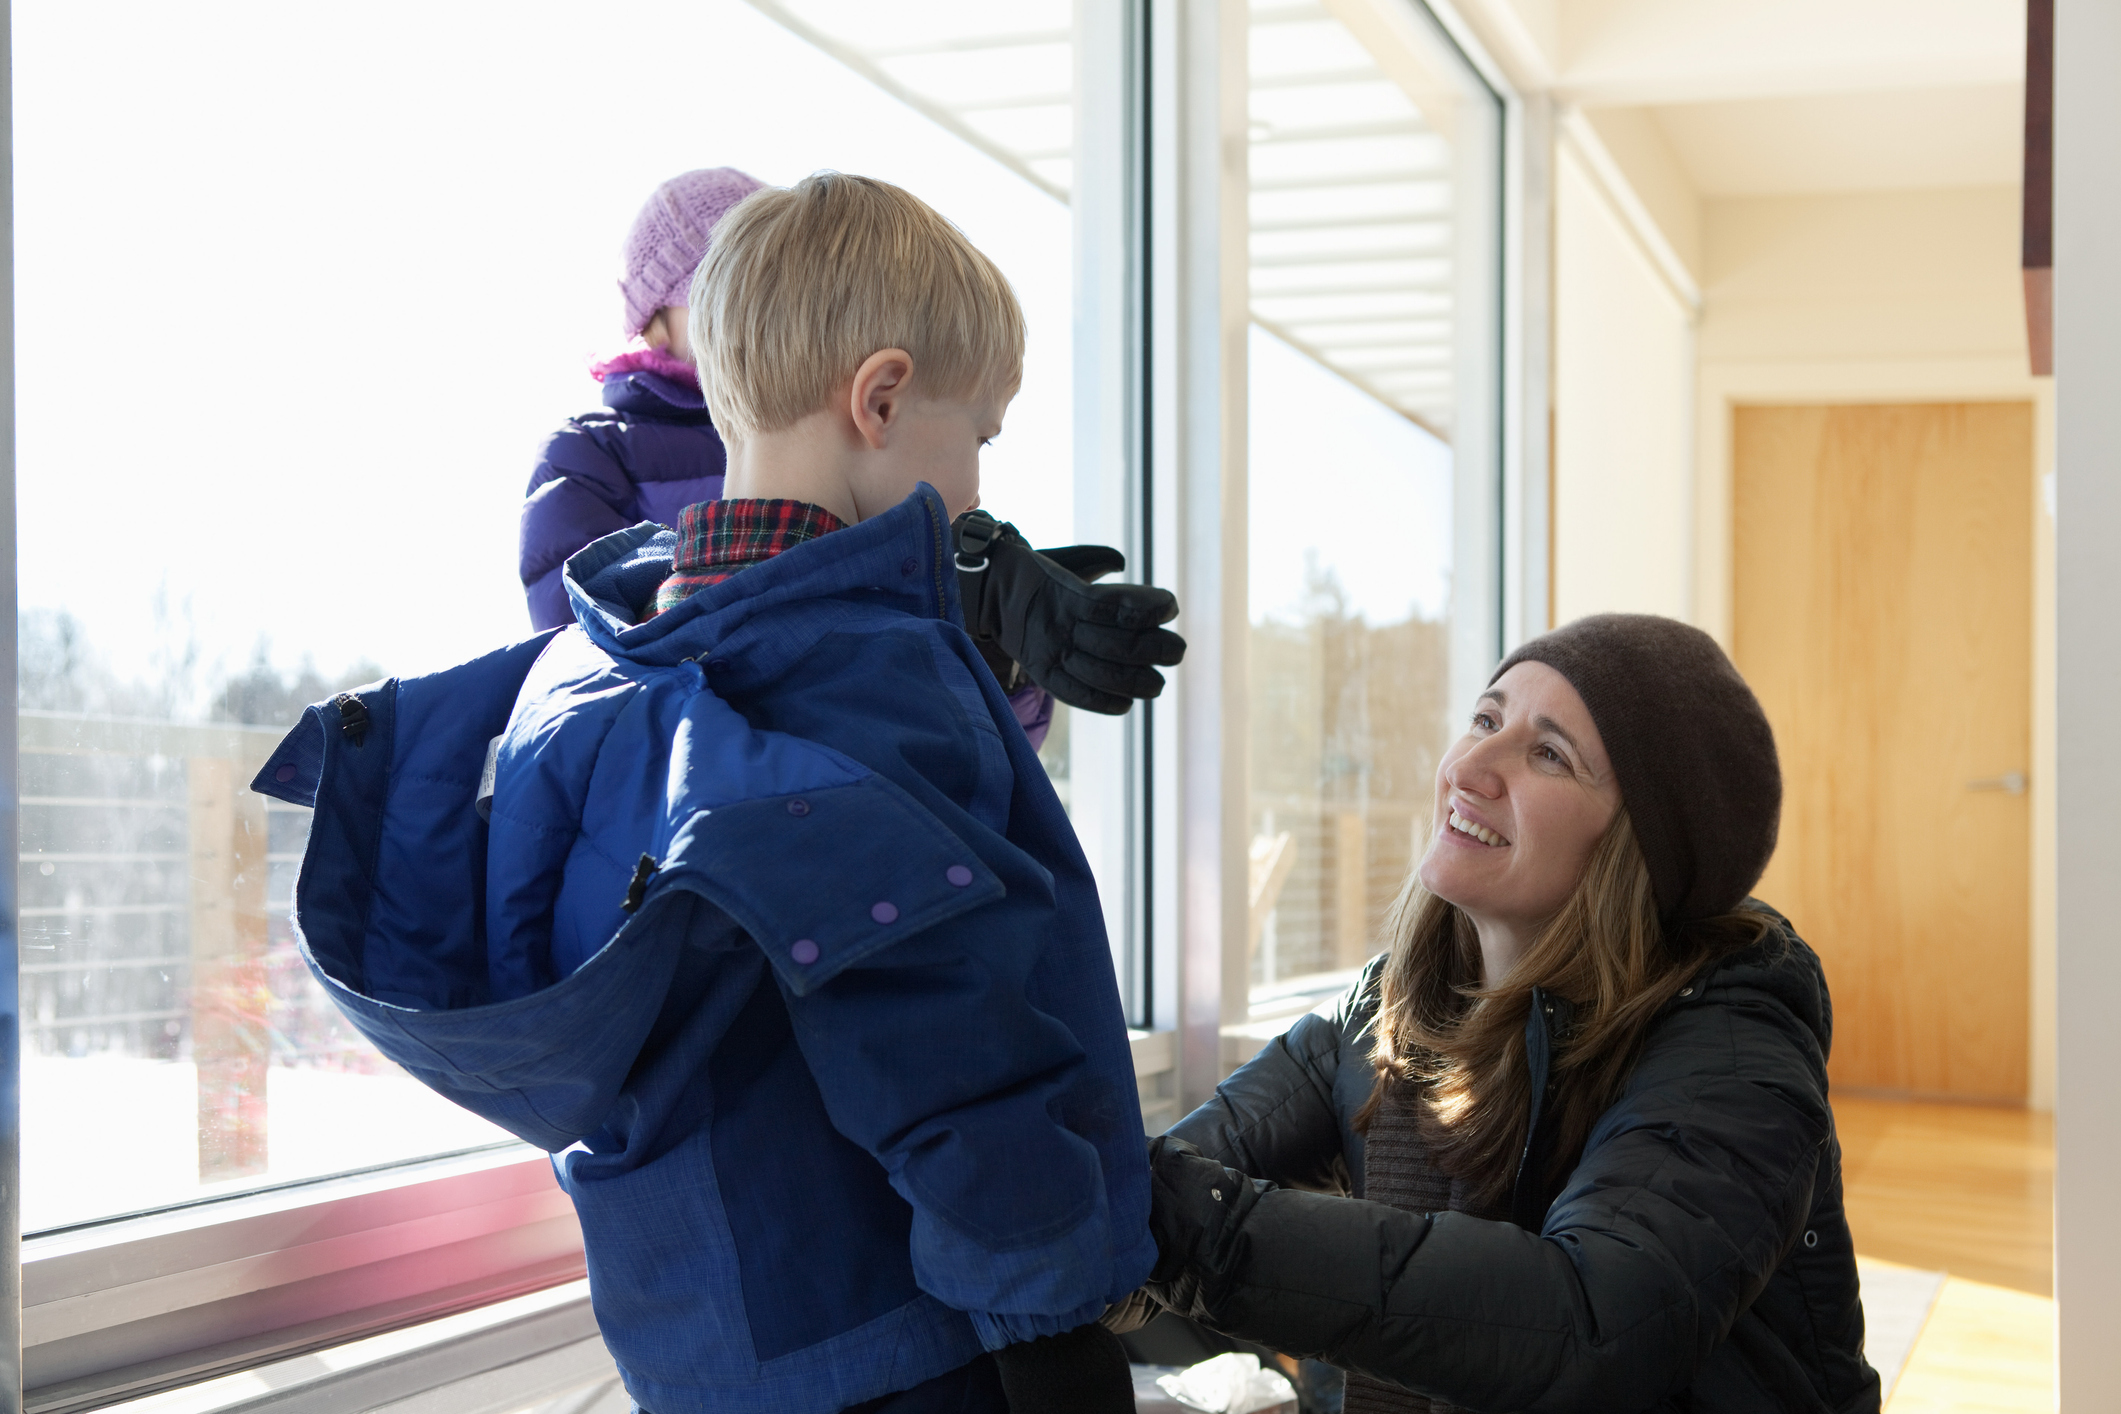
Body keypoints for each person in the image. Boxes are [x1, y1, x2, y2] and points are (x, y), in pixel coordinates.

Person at [257, 171, 1153, 1414]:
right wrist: (1050, 1310)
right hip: (900, 1331)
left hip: (698, 1337)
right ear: (883, 398)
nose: (984, 493)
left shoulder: (606, 676)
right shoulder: (867, 673)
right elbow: (939, 1026)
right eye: (982, 438)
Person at [1131, 614, 1880, 1413]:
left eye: (1547, 754)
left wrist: (1199, 1229)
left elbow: (1594, 1322)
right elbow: (1160, 1182)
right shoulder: (1386, 1009)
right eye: (1485, 720)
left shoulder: (1732, 1051)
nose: (1470, 767)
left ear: (1637, 849)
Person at [517, 166, 1179, 744]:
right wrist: (926, 602)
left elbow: (962, 787)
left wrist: (990, 645)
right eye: (710, 286)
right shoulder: (594, 453)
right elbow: (595, 663)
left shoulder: (862, 453)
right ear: (655, 313)